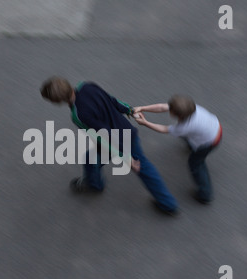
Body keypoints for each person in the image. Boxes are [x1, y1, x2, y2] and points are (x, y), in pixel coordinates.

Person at [40, 76, 178, 214]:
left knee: (140, 167)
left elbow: (104, 137)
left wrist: (125, 157)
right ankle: (167, 203)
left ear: (57, 101)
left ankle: (168, 204)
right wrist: (129, 110)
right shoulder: (87, 86)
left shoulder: (78, 115)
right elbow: (112, 100)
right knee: (91, 159)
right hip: (127, 133)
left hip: (116, 144)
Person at [134, 95, 222, 204]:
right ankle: (191, 145)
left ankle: (205, 194)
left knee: (195, 164)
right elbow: (162, 107)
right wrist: (142, 108)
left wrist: (145, 123)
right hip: (214, 127)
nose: (168, 109)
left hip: (209, 142)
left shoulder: (185, 127)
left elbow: (164, 129)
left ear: (176, 115)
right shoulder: (193, 109)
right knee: (188, 135)